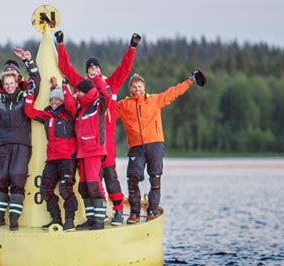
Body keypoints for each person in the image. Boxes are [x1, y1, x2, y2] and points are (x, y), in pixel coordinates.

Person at [55, 30, 141, 226]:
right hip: (86, 143)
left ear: (100, 70)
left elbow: (124, 68)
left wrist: (132, 47)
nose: (93, 69)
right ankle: (93, 217)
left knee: (110, 175)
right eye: (89, 68)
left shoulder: (109, 85)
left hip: (105, 140)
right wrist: (60, 43)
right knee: (88, 181)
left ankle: (118, 211)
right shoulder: (83, 85)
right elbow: (65, 68)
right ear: (86, 73)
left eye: (96, 67)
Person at [115, 70, 206, 224]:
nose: (137, 89)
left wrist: (190, 81)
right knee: (133, 177)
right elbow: (105, 112)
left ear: (144, 87)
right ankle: (134, 213)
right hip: (136, 146)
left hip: (155, 144)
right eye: (134, 87)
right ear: (130, 89)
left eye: (140, 86)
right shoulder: (123, 105)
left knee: (155, 178)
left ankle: (152, 210)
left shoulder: (154, 100)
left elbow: (173, 92)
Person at [0, 47, 40, 231]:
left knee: (17, 178)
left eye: (11, 83)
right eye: (5, 83)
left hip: (22, 145)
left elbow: (35, 81)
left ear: (16, 82)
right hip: (2, 145)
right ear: (3, 84)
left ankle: (13, 218)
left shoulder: (25, 97)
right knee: (1, 179)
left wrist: (29, 61)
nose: (9, 86)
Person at [25, 76, 78, 231]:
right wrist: (29, 93)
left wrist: (64, 87)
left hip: (67, 158)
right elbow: (29, 112)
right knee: (45, 190)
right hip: (52, 159)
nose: (54, 102)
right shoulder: (46, 116)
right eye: (52, 100)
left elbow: (71, 104)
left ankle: (70, 220)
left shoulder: (69, 114)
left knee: (65, 189)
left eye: (57, 100)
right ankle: (56, 219)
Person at [65, 79, 108, 230]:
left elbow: (106, 96)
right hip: (82, 151)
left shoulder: (98, 104)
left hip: (94, 150)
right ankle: (91, 218)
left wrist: (97, 79)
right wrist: (64, 87)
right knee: (84, 187)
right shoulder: (80, 107)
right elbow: (69, 105)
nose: (76, 94)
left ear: (86, 91)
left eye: (79, 91)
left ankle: (99, 220)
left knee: (94, 185)